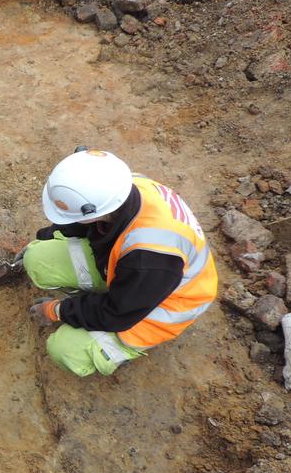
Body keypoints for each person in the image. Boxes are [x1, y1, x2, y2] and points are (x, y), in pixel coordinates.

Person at [18, 148, 217, 377]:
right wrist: (46, 236)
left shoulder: (149, 257)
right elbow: (80, 223)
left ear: (92, 212)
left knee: (64, 350)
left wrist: (56, 310)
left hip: (162, 305)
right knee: (38, 259)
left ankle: (117, 350)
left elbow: (116, 312)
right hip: (138, 277)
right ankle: (94, 297)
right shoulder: (118, 186)